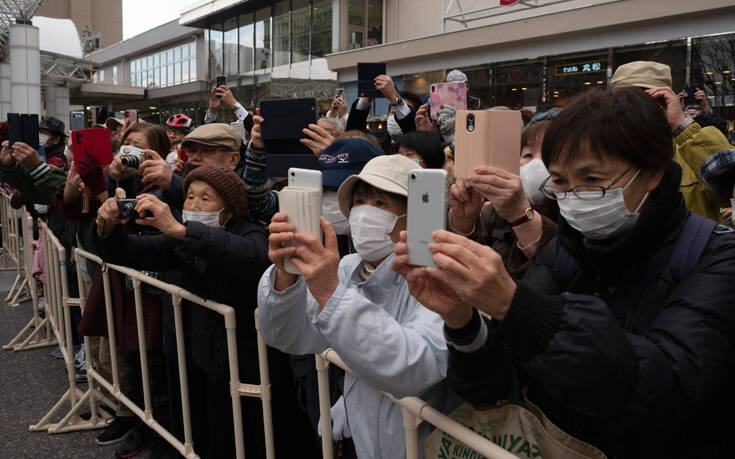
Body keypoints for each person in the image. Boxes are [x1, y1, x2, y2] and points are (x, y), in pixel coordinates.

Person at [393, 87, 735, 458]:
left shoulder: (717, 258)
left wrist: (516, 304)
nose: (573, 197)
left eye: (592, 179)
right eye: (560, 183)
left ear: (653, 172)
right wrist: (462, 321)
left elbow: (665, 389)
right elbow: (494, 386)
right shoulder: (567, 251)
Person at [94, 165, 315, 458]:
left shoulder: (248, 232)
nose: (194, 205)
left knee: (262, 437)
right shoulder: (181, 239)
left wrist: (183, 230)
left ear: (230, 207)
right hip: (210, 361)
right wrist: (107, 228)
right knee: (218, 434)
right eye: (189, 197)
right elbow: (131, 252)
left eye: (205, 199)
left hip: (255, 363)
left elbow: (250, 257)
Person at [258, 154, 454, 458]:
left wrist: (331, 293)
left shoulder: (438, 275)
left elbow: (417, 365)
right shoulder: (345, 267)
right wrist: (287, 274)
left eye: (380, 203)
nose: (364, 212)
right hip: (364, 439)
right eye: (359, 201)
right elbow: (286, 334)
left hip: (424, 444)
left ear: (414, 217)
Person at [610, 61, 733, 223]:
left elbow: (729, 188)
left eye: (645, 97)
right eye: (622, 100)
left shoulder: (689, 147)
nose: (633, 109)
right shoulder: (601, 148)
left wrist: (682, 127)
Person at [448, 114, 559, 280]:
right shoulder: (494, 213)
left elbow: (558, 274)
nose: (537, 164)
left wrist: (522, 216)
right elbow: (466, 269)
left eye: (549, 155)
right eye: (528, 155)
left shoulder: (576, 214)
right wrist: (464, 221)